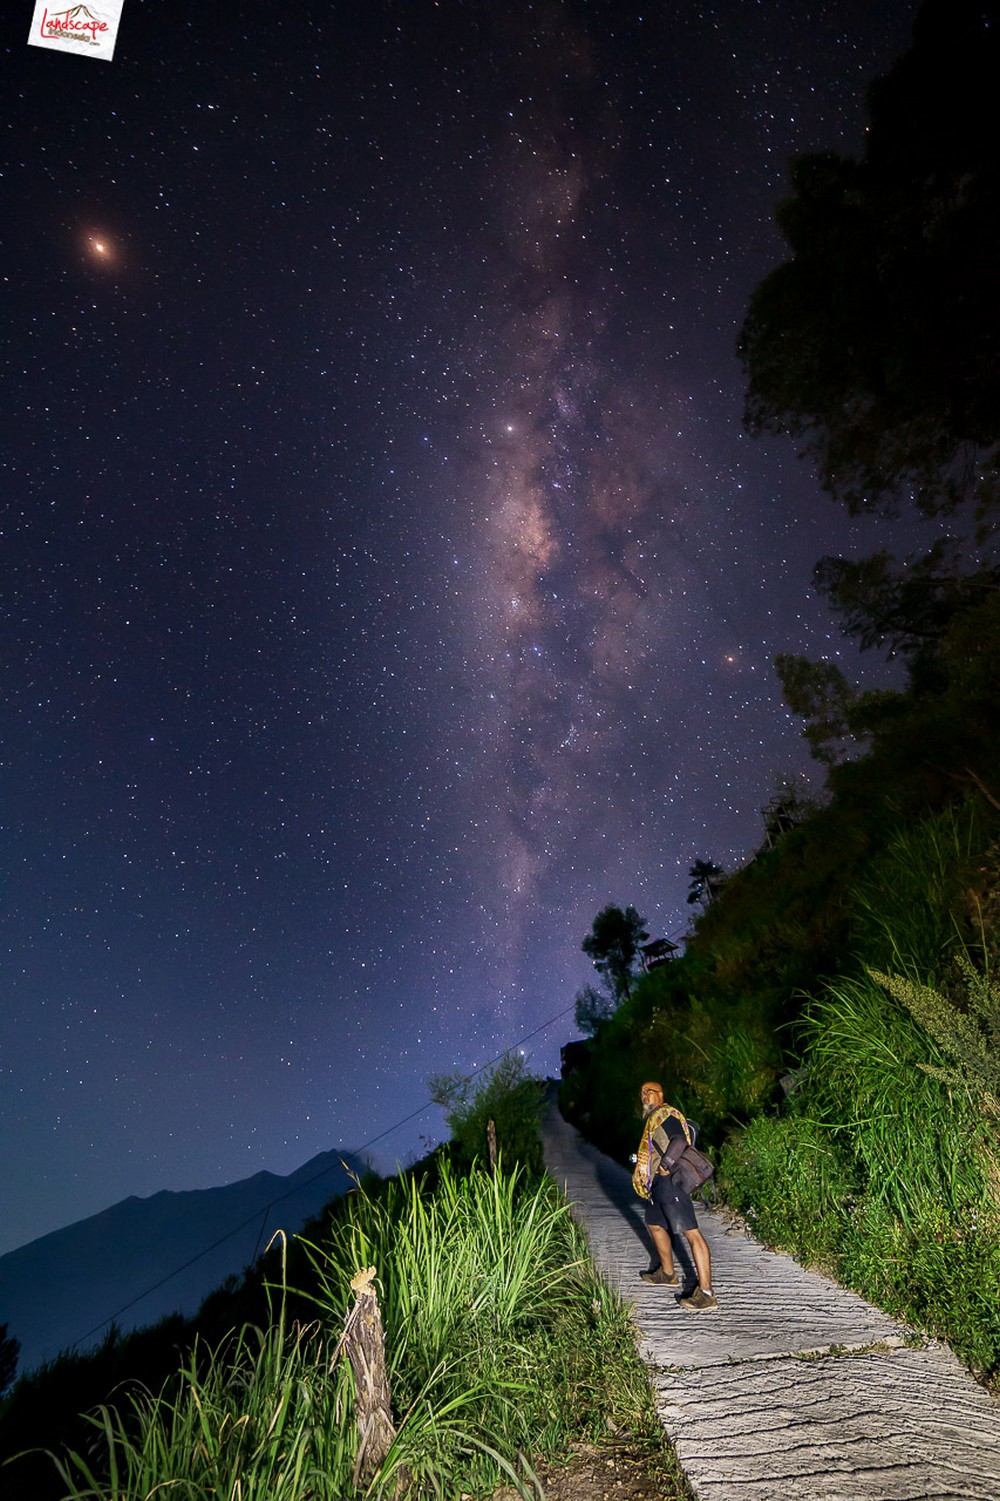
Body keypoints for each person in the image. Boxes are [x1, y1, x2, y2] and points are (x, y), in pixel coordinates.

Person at [635, 1081, 717, 1311]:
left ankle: (707, 1294)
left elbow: (679, 1140)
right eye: (642, 1093)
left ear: (660, 1095)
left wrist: (666, 1166)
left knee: (692, 1233)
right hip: (658, 1185)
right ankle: (668, 1273)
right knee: (654, 1223)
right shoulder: (654, 1119)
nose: (644, 1096)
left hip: (670, 1182)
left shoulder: (665, 1114)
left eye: (648, 1092)